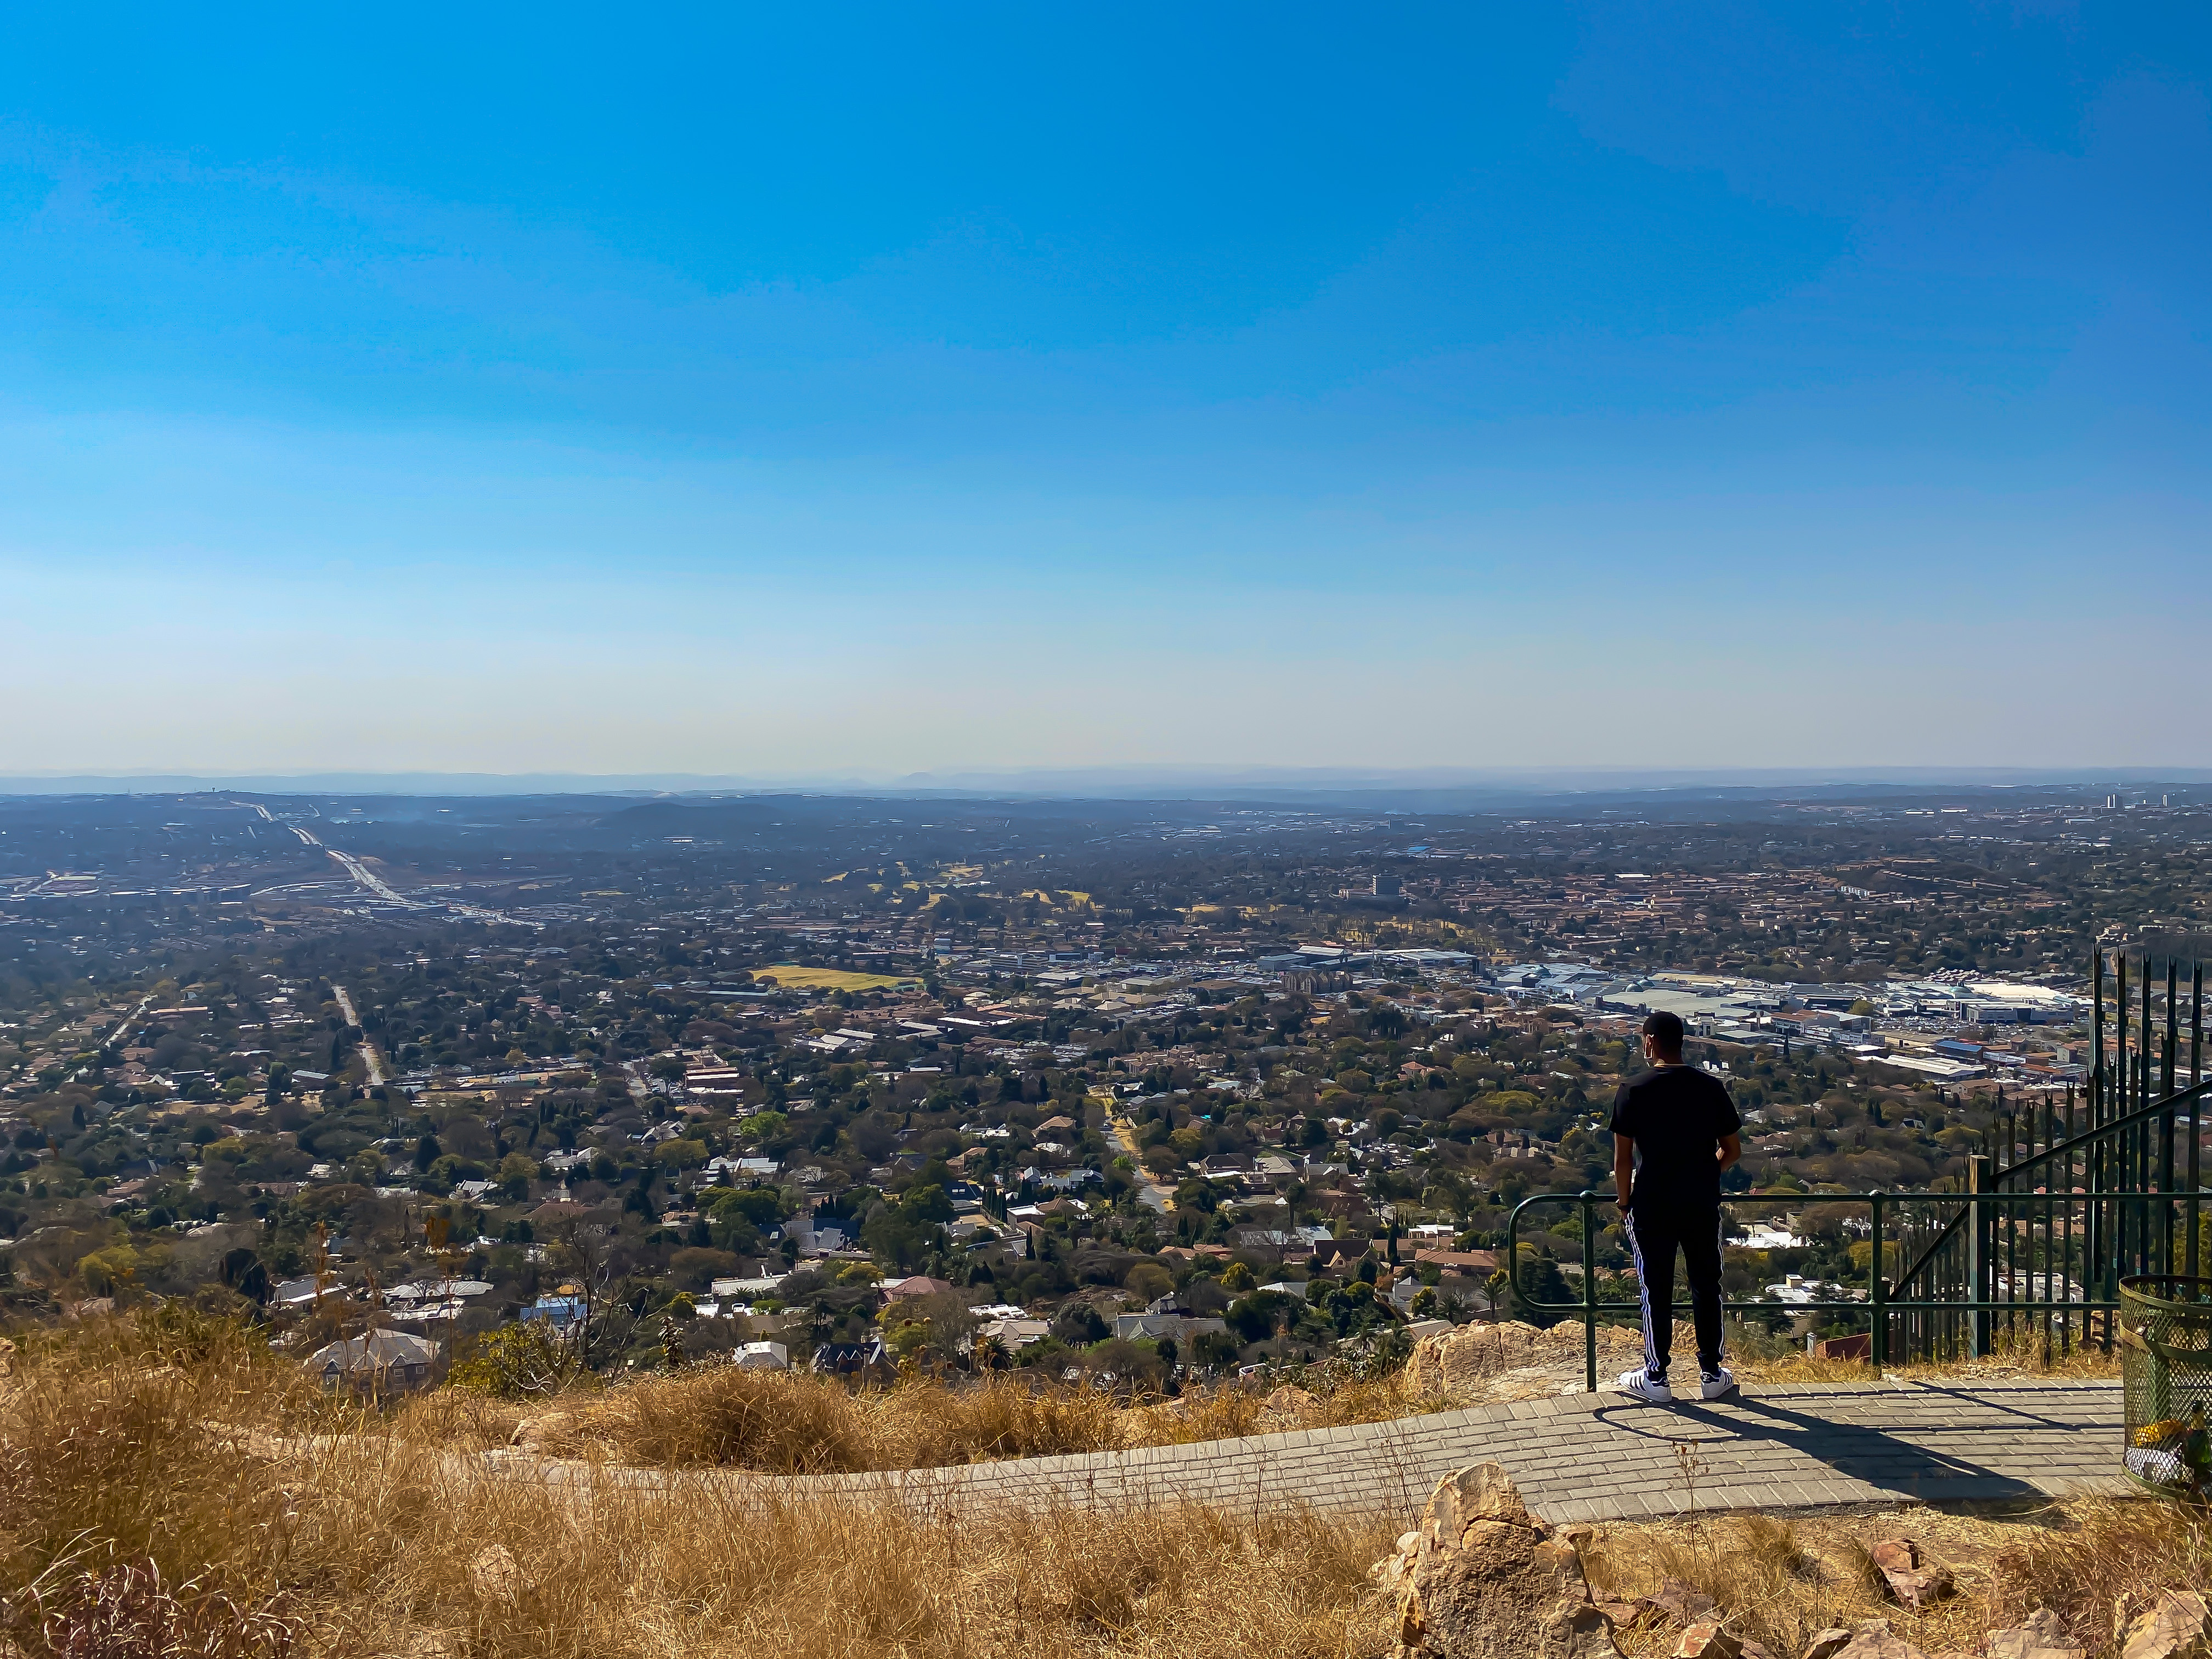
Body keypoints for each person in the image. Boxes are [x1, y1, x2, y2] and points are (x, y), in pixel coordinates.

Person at [1609, 1010, 1741, 1403]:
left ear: (1650, 1041)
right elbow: (1732, 1150)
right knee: (1706, 1284)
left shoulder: (1632, 1089)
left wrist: (1624, 1201)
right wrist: (1705, 1173)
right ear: (1681, 1041)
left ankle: (1656, 1376)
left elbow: (1622, 1160)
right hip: (1700, 1201)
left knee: (1656, 1288)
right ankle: (1712, 1374)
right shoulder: (1711, 1088)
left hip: (1652, 1203)